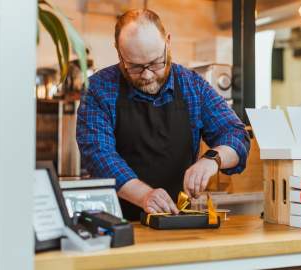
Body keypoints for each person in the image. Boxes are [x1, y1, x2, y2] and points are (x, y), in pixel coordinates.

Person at [76, 9, 250, 221]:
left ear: (168, 42)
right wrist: (144, 195)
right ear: (119, 52)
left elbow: (235, 134)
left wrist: (212, 159)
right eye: (135, 67)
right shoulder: (98, 89)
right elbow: (98, 155)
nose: (147, 75)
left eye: (156, 62)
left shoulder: (192, 86)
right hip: (116, 224)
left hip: (176, 219)